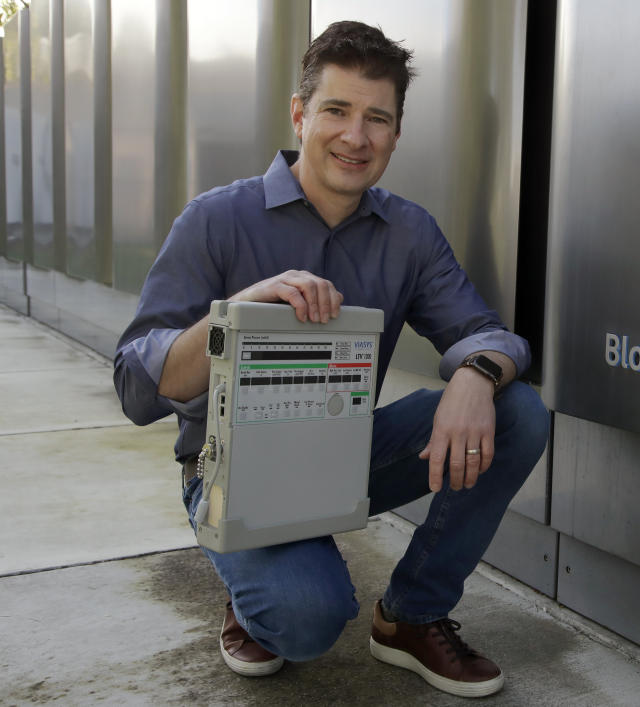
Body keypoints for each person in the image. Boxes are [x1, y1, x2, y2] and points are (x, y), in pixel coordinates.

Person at [113, 20, 548, 699]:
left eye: (378, 119)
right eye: (338, 111)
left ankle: (411, 614)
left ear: (396, 133)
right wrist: (238, 314)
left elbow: (488, 332)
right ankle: (253, 587)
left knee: (516, 408)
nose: (357, 136)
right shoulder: (215, 219)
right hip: (232, 470)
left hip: (344, 456)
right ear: (300, 113)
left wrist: (476, 371)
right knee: (305, 620)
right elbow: (137, 384)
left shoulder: (408, 233)